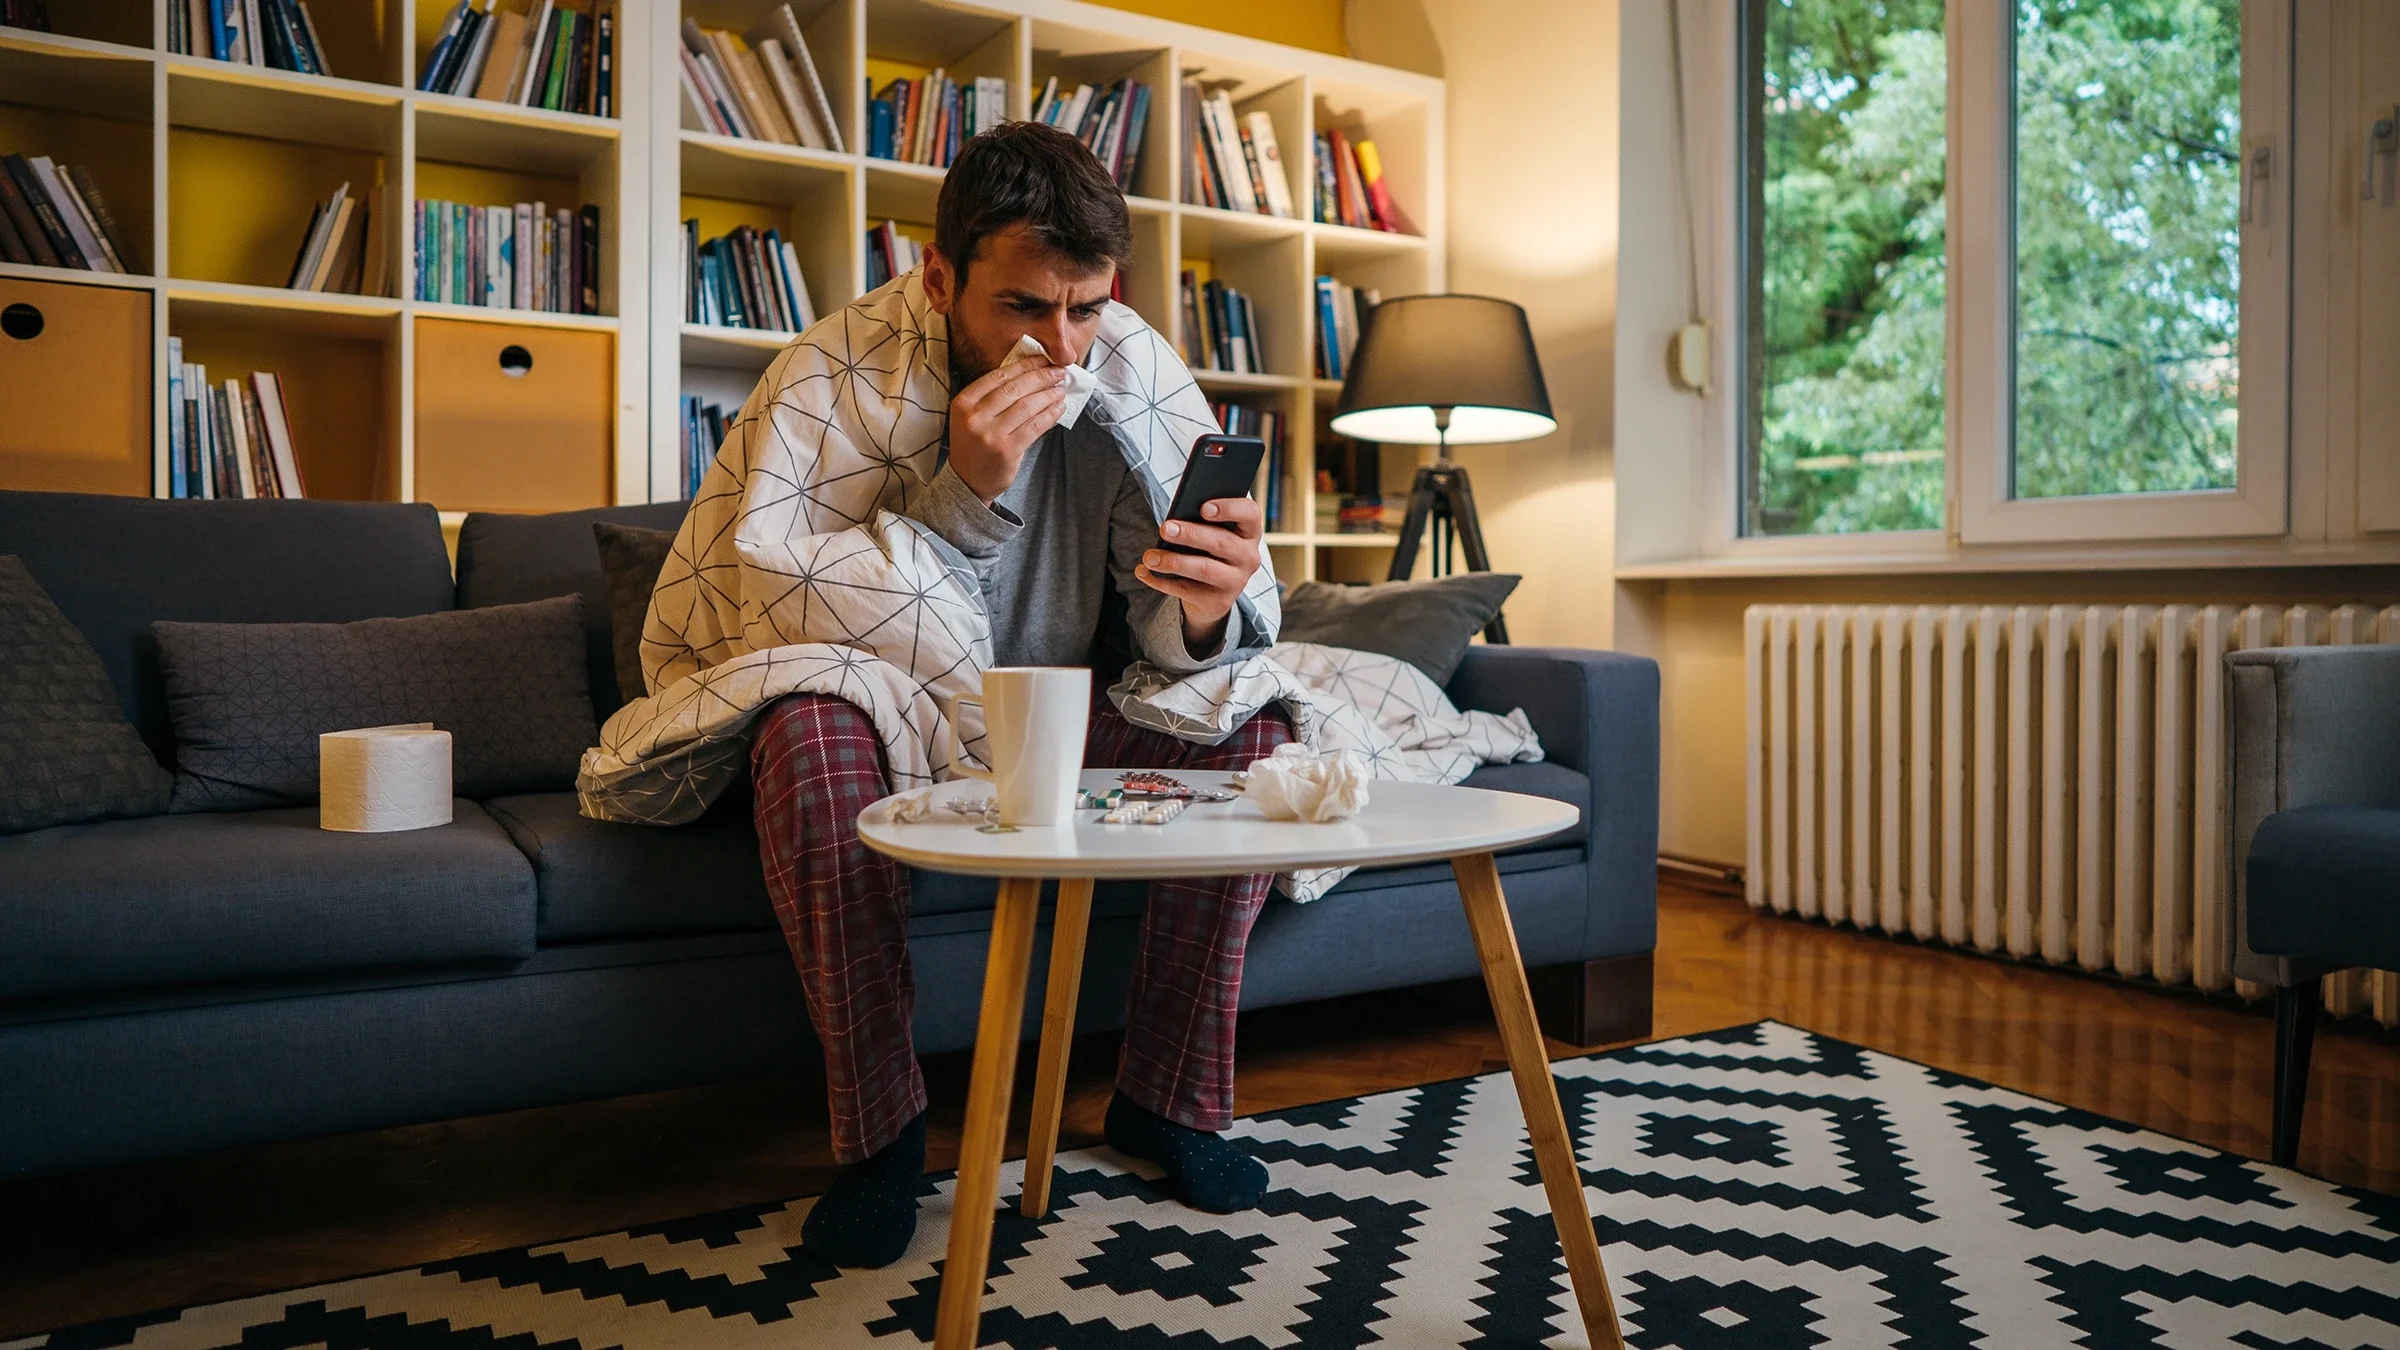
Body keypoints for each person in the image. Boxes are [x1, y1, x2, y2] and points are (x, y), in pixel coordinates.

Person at [744, 121, 1295, 1270]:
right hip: (889, 712)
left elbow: (1167, 640)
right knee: (806, 737)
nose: (1061, 348)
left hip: (1058, 709)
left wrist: (1203, 603)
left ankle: (1168, 1101)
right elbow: (788, 602)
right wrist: (968, 491)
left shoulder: (1128, 369)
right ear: (938, 275)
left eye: (1086, 309)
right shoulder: (829, 370)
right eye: (1023, 309)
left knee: (1255, 726)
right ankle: (885, 1139)